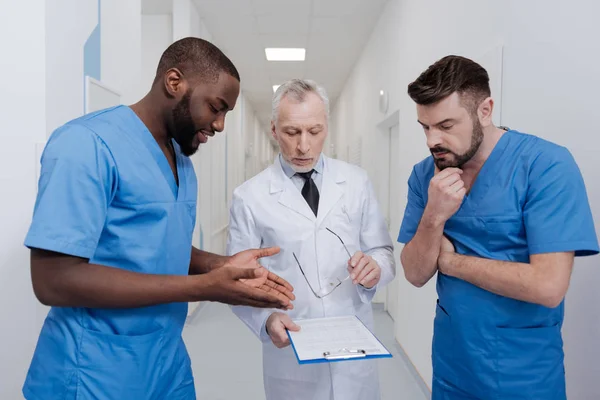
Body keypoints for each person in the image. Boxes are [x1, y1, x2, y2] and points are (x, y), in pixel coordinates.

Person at [22, 37, 295, 400]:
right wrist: (207, 287)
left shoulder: (182, 161)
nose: (220, 125)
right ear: (174, 82)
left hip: (165, 365)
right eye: (216, 107)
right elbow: (53, 280)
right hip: (93, 373)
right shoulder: (85, 145)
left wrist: (223, 264)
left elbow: (161, 243)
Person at [397, 55, 599, 400]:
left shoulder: (545, 165)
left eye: (446, 125)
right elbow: (415, 273)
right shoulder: (425, 174)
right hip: (451, 366)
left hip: (523, 373)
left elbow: (548, 286)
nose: (433, 140)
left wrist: (450, 263)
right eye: (425, 127)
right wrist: (433, 216)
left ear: (485, 110)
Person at [227, 79, 396, 400]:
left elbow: (383, 252)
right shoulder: (249, 197)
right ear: (274, 130)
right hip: (293, 354)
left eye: (314, 132)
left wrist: (375, 268)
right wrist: (266, 320)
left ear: (326, 128)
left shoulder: (356, 183)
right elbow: (237, 283)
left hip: (353, 347)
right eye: (292, 133)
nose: (303, 146)